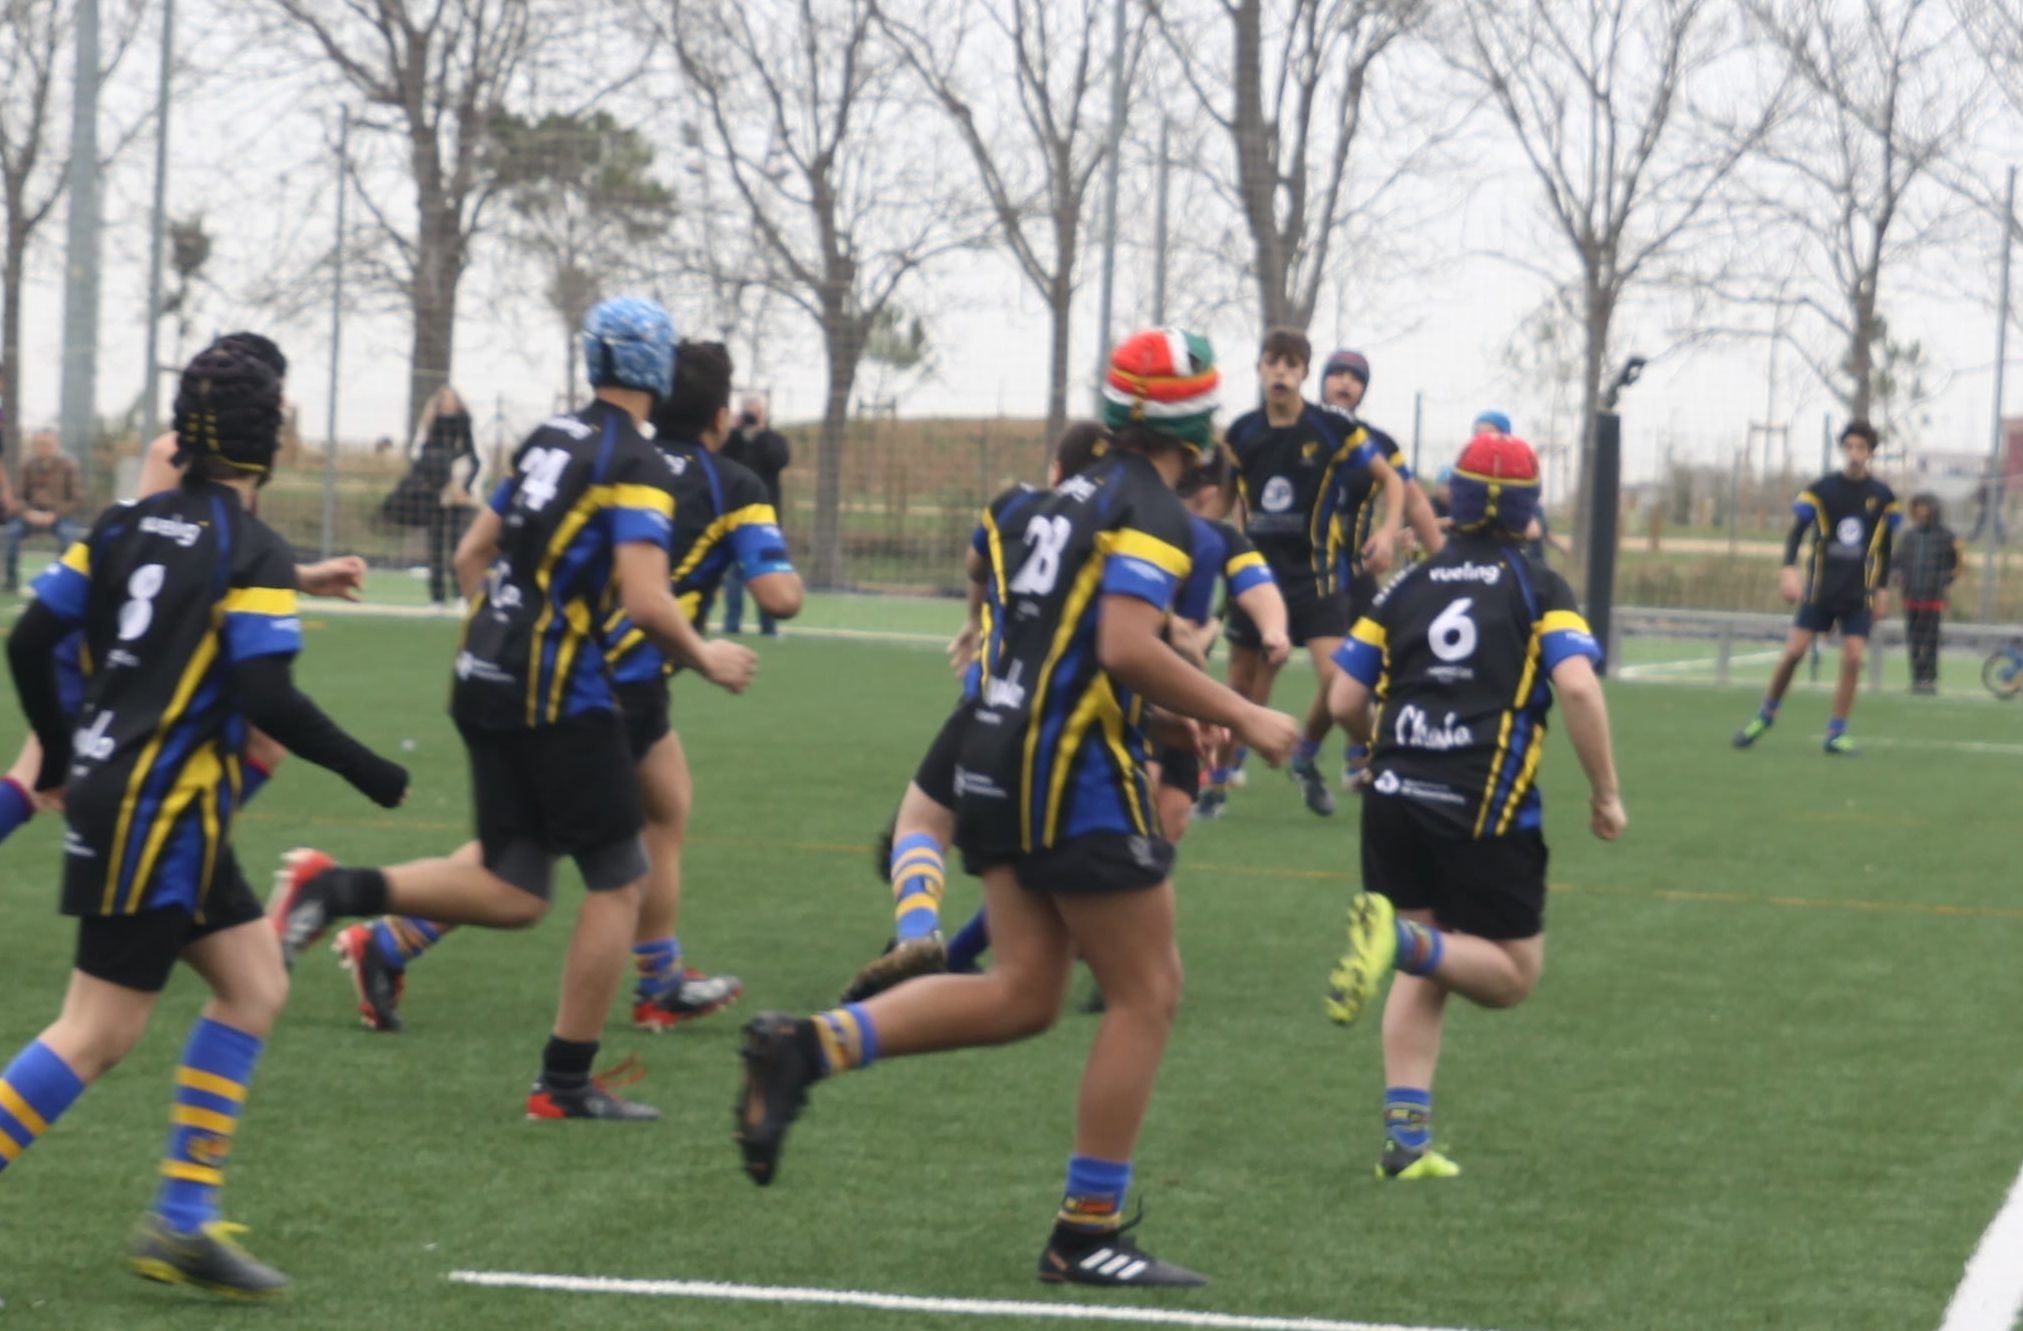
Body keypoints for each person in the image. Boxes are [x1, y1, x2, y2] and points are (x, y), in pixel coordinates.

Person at [735, 329, 1300, 1288]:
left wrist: (1176, 715)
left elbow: (1071, 649)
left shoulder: (1047, 500)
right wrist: (1242, 710)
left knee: (1024, 993)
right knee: (1147, 992)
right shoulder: (1159, 514)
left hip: (995, 753)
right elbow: (1123, 645)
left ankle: (808, 1045)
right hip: (1072, 772)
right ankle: (1085, 1231)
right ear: (1196, 426)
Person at [267, 298, 758, 1121]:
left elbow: (472, 551)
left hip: (484, 668)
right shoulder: (634, 462)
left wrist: (497, 638)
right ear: (655, 369)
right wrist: (705, 655)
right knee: (617, 877)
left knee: (518, 884)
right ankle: (564, 1083)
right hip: (560, 685)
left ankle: (339, 888)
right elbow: (644, 599)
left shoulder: (548, 437)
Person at [0, 344, 408, 1298]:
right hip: (160, 810)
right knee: (95, 1031)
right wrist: (368, 768)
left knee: (253, 980)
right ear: (266, 448)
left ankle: (183, 1219)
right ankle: (179, 1216)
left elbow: (30, 637)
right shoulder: (250, 547)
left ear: (186, 435)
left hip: (145, 800)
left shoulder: (122, 522)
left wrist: (61, 746)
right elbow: (269, 690)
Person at [331, 341, 800, 1035]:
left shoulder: (604, 456)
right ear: (722, 417)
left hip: (552, 662)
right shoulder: (731, 483)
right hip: (611, 684)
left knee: (660, 805)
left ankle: (658, 974)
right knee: (540, 850)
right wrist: (766, 571)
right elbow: (778, 596)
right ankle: (387, 935)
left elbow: (477, 551)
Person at [1325, 430, 1625, 1181]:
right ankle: (1398, 942)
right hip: (1480, 802)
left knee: (1428, 959)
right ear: (1528, 513)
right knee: (1508, 973)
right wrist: (1606, 793)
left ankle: (1404, 1142)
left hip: (1393, 793)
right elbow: (1580, 687)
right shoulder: (1538, 585)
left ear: (1451, 503)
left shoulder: (1406, 586)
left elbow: (1341, 697)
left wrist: (1374, 751)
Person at [0, 333, 367, 856]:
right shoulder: (173, 453)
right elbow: (148, 552)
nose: (276, 411)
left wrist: (303, 577)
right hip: (108, 635)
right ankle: (177, 852)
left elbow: (215, 556)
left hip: (132, 627)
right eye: (274, 395)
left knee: (263, 742)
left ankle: (180, 852)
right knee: (36, 776)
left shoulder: (232, 459)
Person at [836, 422, 1112, 1004]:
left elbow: (976, 565)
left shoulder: (1011, 506)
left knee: (920, 824)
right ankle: (967, 955)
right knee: (1034, 860)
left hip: (994, 703)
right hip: (1071, 725)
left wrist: (972, 621)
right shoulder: (1120, 532)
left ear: (1055, 473)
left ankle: (918, 932)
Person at [1223, 328, 1404, 818]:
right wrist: (1215, 549)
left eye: (1290, 365)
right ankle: (1215, 780)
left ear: (1304, 374)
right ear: (1260, 369)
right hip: (1257, 578)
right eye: (1271, 363)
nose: (1280, 372)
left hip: (1317, 579)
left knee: (1342, 685)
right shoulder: (1241, 433)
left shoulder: (1331, 431)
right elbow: (1227, 502)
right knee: (1239, 680)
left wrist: (1387, 534)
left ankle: (1364, 761)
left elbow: (1391, 481)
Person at [1732, 421, 1899, 755]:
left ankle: (1836, 733)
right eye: (1849, 447)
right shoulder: (1822, 489)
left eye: (1861, 448)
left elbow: (1885, 548)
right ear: (1843, 449)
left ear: (1870, 452)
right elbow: (1796, 533)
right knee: (1794, 652)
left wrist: (1882, 589)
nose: (1854, 454)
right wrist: (1788, 571)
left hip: (1858, 593)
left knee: (1853, 658)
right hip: (1821, 589)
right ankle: (1765, 715)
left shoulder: (1882, 497)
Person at [1319, 351, 1444, 791]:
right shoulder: (1296, 430)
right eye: (1337, 373)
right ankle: (1218, 767)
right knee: (1245, 670)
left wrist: (1444, 559)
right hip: (1290, 569)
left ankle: (1358, 754)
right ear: (1322, 380)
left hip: (1350, 571)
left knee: (1369, 663)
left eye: (1356, 377)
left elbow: (1414, 501)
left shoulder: (1378, 444)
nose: (1345, 382)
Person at [722, 396, 791, 635]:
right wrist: (736, 431)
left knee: (768, 573)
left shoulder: (773, 439)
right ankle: (732, 625)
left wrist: (761, 433)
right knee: (733, 578)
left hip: (766, 518)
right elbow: (722, 456)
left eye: (756, 413)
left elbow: (779, 460)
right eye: (748, 413)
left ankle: (769, 626)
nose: (752, 417)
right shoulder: (735, 440)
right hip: (735, 517)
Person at [415, 386, 482, 609]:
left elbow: (474, 459)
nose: (448, 403)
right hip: (435, 494)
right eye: (443, 399)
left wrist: (465, 487)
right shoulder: (429, 427)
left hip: (457, 495)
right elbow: (422, 458)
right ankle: (436, 597)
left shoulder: (465, 426)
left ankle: (460, 594)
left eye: (451, 399)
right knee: (435, 545)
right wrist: (438, 481)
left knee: (457, 543)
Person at [1892, 492, 1959, 694]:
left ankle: (1929, 679)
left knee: (1930, 640)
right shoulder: (1909, 537)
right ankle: (1916, 678)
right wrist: (1897, 575)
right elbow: (1897, 562)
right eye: (1918, 506)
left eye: (1925, 506)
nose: (1921, 511)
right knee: (1913, 639)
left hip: (1933, 599)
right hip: (1911, 598)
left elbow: (1956, 565)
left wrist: (1942, 580)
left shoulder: (1947, 536)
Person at [4, 430, 84, 593]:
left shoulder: (69, 465)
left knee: (66, 536)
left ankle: (61, 581)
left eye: (48, 445)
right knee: (12, 531)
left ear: (57, 445)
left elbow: (77, 498)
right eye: (40, 445)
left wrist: (55, 514)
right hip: (31, 514)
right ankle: (11, 580)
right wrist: (27, 512)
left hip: (59, 515)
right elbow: (18, 495)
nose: (44, 448)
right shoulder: (28, 466)